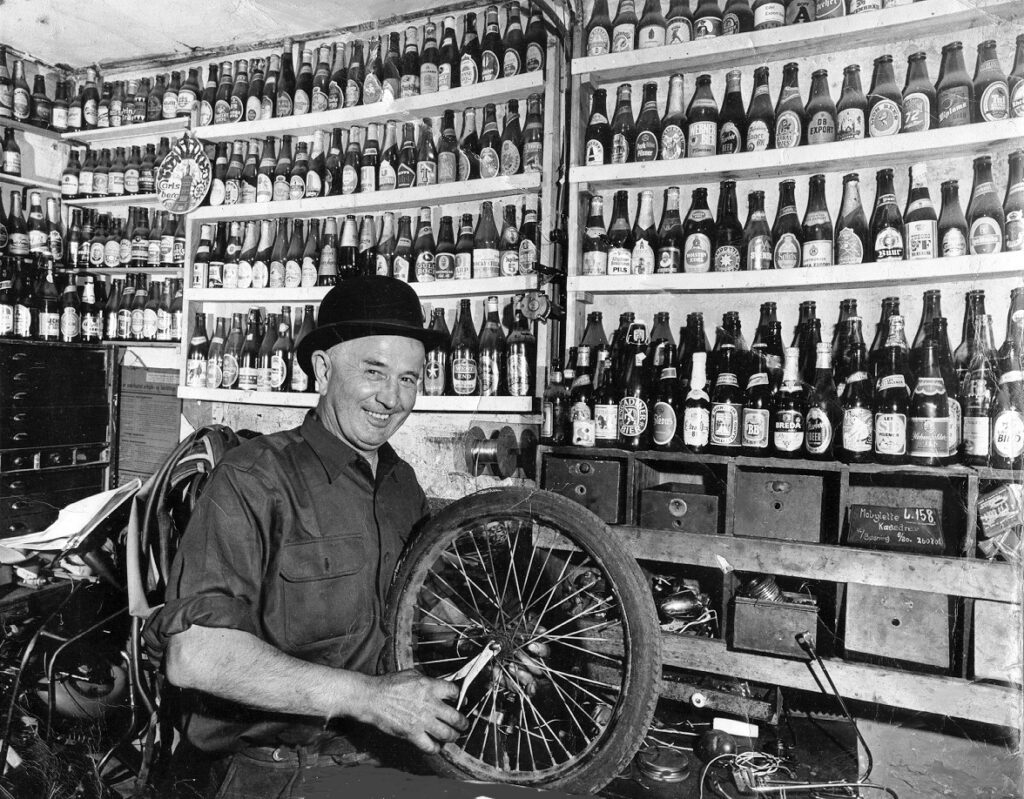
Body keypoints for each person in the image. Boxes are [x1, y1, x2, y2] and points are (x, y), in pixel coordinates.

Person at [144, 277, 471, 798]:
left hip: (384, 757)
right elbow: (196, 656)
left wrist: (485, 646)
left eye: (410, 379)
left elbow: (411, 611)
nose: (392, 399)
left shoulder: (401, 483)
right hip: (272, 771)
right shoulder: (254, 478)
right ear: (323, 369)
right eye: (374, 372)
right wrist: (369, 698)